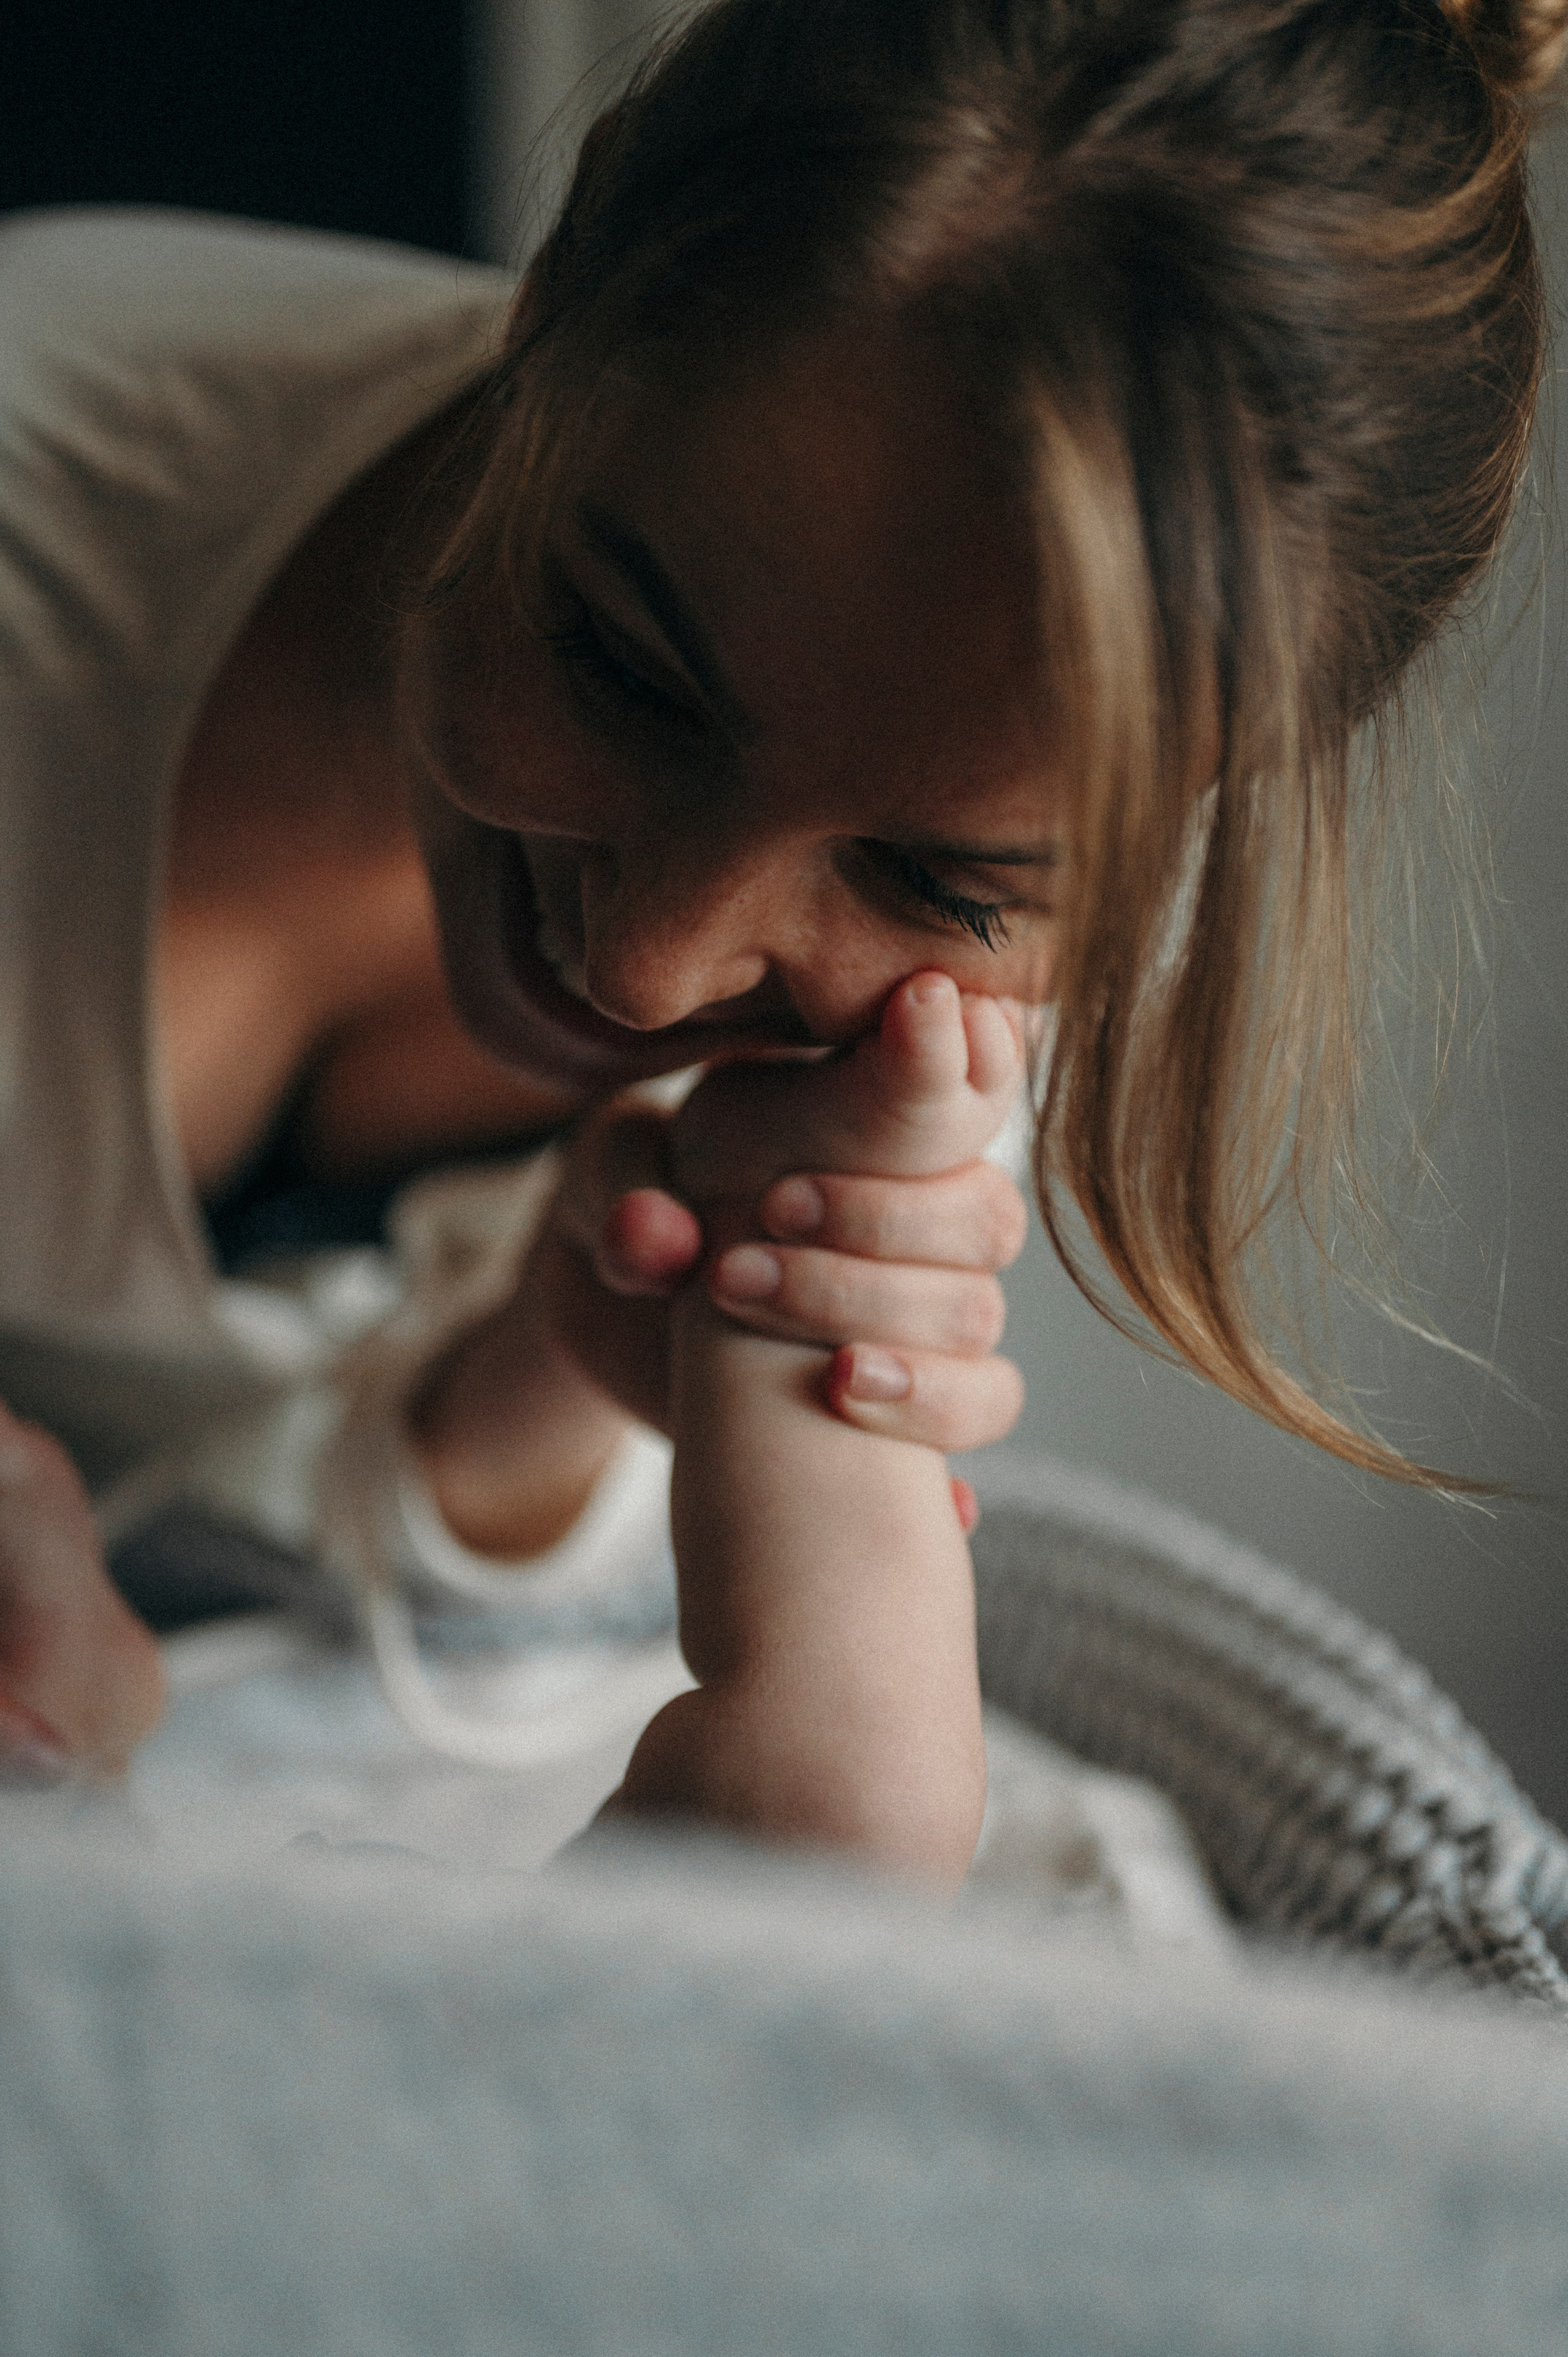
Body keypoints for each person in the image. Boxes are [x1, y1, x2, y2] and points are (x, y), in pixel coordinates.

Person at [0, 0, 1559, 1888]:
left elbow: (368, 1602)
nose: (648, 979)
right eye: (623, 670)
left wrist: (549, 1383)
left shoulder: (928, 1015)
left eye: (944, 878)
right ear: (556, 303)